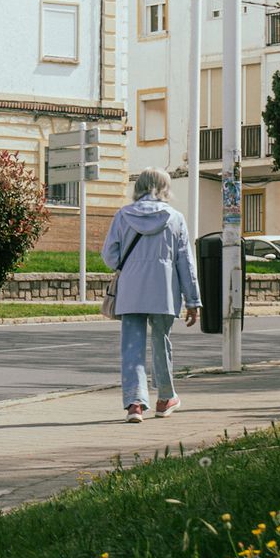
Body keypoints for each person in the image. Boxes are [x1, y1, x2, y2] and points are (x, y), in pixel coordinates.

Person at [100, 167, 201, 423]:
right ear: (165, 188)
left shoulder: (123, 215)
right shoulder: (175, 218)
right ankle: (165, 399)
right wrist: (193, 301)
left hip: (131, 291)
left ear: (139, 186)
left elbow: (109, 256)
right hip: (163, 291)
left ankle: (134, 404)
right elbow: (185, 263)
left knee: (131, 347)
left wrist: (130, 267)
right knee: (161, 343)